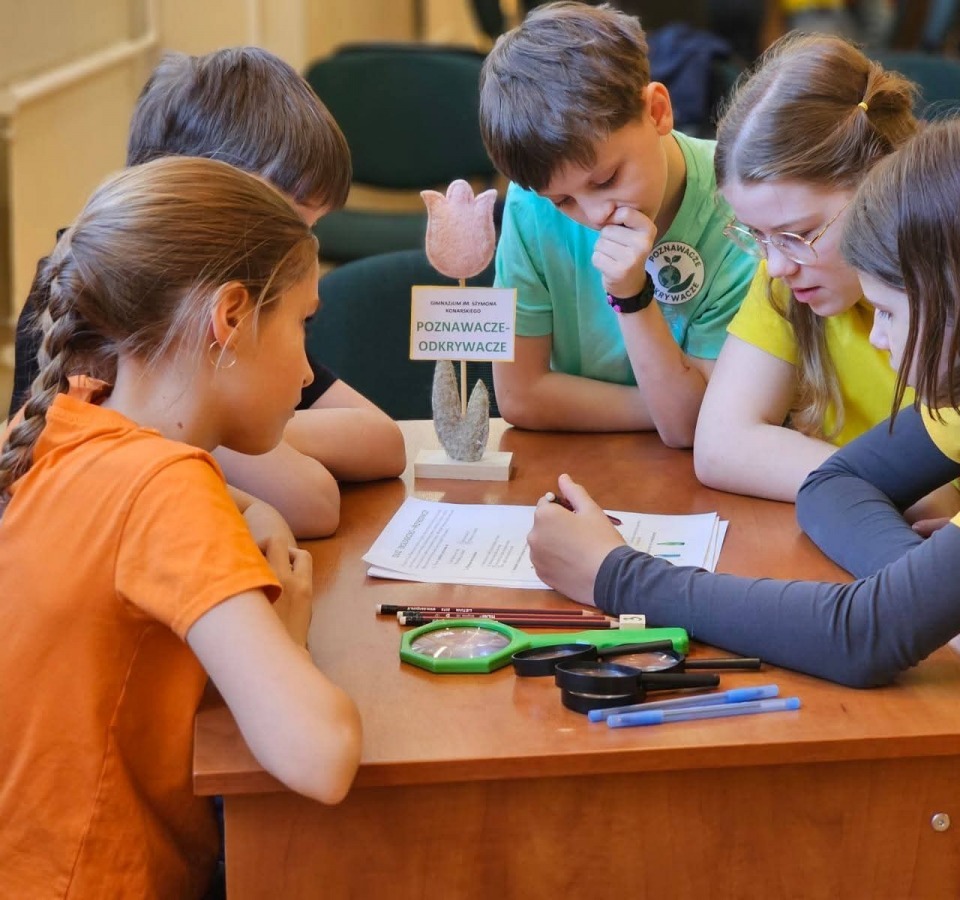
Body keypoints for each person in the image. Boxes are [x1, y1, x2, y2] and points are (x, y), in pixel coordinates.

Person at [527, 115, 960, 897]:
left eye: (887, 311)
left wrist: (616, 575)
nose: (878, 341)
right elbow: (836, 484)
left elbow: (867, 634)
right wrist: (935, 590)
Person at [0, 157, 363, 898]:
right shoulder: (166, 489)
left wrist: (253, 513)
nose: (306, 373)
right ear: (229, 317)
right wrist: (290, 638)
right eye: (302, 324)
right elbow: (322, 756)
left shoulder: (62, 422)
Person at [6, 48, 407, 538]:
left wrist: (236, 428)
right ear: (200, 196)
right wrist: (226, 426)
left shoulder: (243, 308)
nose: (306, 247)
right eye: (284, 219)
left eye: (309, 227)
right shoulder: (129, 307)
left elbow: (385, 443)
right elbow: (312, 501)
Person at [479, 1, 757, 448]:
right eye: (563, 200)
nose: (595, 215)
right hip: (583, 460)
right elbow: (519, 395)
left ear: (658, 111)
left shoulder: (739, 208)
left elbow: (689, 430)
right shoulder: (530, 204)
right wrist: (673, 403)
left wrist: (631, 297)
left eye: (606, 179)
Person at [694, 31, 932, 504]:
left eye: (798, 233)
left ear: (880, 183)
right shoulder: (789, 268)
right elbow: (720, 446)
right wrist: (895, 485)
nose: (775, 266)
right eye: (757, 236)